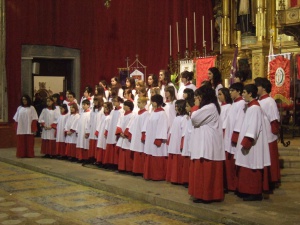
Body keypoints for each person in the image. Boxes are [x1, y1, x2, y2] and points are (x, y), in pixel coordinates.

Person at [189, 85, 225, 203]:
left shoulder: (210, 107)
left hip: (207, 143)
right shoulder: (210, 107)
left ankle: (207, 195)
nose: (196, 99)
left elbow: (194, 118)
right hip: (203, 142)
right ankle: (200, 194)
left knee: (206, 172)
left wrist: (195, 106)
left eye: (198, 97)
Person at [235, 84, 271, 201]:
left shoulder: (255, 108)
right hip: (248, 144)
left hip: (252, 145)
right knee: (246, 167)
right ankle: (245, 191)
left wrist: (247, 141)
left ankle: (254, 193)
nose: (243, 95)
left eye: (244, 92)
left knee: (252, 167)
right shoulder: (250, 107)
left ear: (250, 94)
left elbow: (253, 127)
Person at [255, 77, 281, 189]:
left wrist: (274, 133)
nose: (256, 88)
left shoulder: (270, 101)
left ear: (264, 88)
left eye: (257, 86)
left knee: (271, 158)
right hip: (261, 135)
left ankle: (272, 179)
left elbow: (274, 119)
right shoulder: (259, 101)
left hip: (269, 136)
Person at [223, 82, 245, 192]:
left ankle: (234, 185)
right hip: (228, 137)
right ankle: (230, 185)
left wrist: (235, 136)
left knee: (233, 164)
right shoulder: (234, 104)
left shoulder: (241, 104)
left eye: (232, 90)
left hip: (234, 138)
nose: (230, 93)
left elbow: (239, 121)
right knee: (229, 164)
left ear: (239, 91)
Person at [143, 94, 168, 181]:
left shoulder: (162, 113)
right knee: (150, 153)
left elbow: (163, 126)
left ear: (156, 102)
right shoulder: (153, 112)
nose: (151, 103)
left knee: (157, 154)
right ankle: (149, 174)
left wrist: (159, 138)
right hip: (150, 137)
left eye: (152, 101)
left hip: (156, 139)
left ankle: (157, 176)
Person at [166, 99, 188, 184]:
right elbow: (172, 130)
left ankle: (178, 179)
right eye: (175, 106)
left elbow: (184, 132)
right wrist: (169, 139)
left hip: (178, 141)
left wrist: (182, 143)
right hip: (173, 141)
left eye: (177, 106)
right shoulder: (176, 117)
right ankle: (173, 178)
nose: (175, 108)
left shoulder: (185, 118)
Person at [129, 97, 150, 175]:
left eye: (140, 102)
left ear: (144, 104)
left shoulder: (146, 114)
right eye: (137, 102)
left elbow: (145, 125)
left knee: (140, 152)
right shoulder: (137, 113)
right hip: (135, 134)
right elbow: (133, 124)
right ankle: (135, 169)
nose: (138, 104)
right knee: (136, 151)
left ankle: (139, 170)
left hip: (140, 135)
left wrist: (143, 134)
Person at [103, 96, 124, 168]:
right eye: (113, 101)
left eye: (115, 101)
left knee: (115, 145)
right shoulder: (112, 111)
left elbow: (120, 121)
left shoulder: (121, 111)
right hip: (111, 131)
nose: (114, 102)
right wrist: (107, 130)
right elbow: (109, 122)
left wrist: (118, 131)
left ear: (119, 102)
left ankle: (115, 163)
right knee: (110, 145)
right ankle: (109, 162)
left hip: (115, 131)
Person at [116, 100, 135, 172]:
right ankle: (121, 168)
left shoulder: (132, 115)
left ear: (128, 107)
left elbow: (131, 125)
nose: (123, 106)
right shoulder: (122, 115)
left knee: (127, 152)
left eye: (125, 105)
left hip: (127, 137)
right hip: (122, 136)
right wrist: (120, 132)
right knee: (122, 151)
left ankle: (128, 168)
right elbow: (119, 124)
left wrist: (126, 133)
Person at [86, 96, 104, 164]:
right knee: (92, 144)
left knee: (97, 144)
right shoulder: (93, 111)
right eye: (94, 101)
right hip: (92, 129)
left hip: (98, 129)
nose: (95, 102)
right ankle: (92, 157)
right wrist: (88, 131)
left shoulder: (102, 110)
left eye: (96, 101)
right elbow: (90, 121)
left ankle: (97, 158)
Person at [181, 98, 195, 187]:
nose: (186, 108)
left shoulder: (193, 117)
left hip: (191, 140)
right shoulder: (188, 117)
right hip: (187, 140)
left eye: (187, 106)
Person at [95, 102, 113, 166]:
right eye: (104, 107)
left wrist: (106, 132)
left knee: (104, 146)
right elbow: (100, 124)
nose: (105, 109)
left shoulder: (110, 117)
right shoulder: (103, 116)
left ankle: (104, 161)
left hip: (105, 134)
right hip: (101, 133)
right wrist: (97, 131)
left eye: (106, 107)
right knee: (100, 145)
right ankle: (99, 160)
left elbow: (108, 126)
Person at [75, 99, 91, 164]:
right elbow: (79, 123)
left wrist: (87, 132)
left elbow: (89, 123)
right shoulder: (82, 113)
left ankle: (86, 158)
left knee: (85, 145)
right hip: (80, 131)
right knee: (80, 144)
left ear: (88, 105)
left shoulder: (89, 114)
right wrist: (77, 130)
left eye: (85, 105)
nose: (83, 106)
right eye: (82, 104)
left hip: (85, 132)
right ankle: (80, 157)